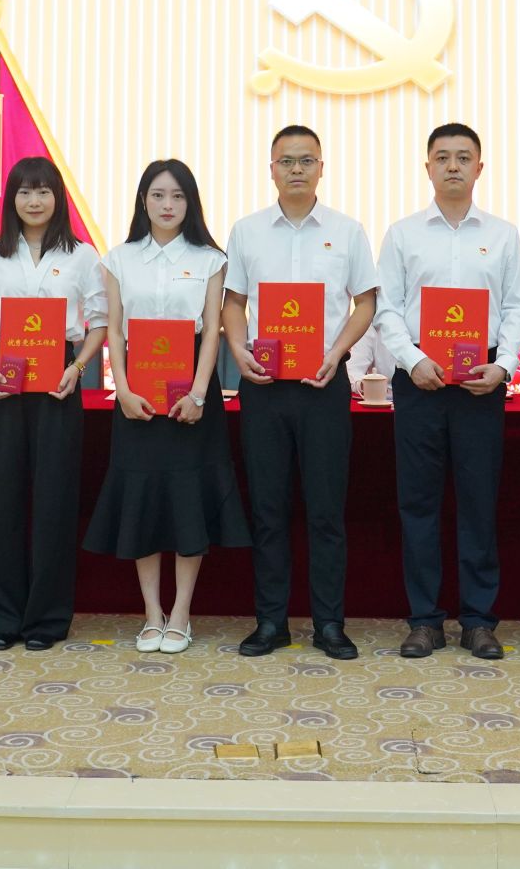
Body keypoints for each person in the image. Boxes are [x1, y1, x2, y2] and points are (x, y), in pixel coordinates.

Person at [222, 126, 380, 661]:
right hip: (264, 388)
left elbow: (365, 302)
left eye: (306, 160)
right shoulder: (247, 231)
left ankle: (329, 624)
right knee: (268, 509)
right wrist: (239, 349)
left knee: (325, 512)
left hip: (323, 386)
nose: (296, 169)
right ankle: (271, 622)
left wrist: (337, 352)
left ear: (321, 167)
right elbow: (233, 302)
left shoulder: (347, 230)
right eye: (286, 161)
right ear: (271, 169)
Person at [374, 123, 520, 660]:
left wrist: (504, 366)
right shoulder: (402, 234)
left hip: (482, 382)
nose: (453, 166)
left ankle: (479, 621)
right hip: (420, 378)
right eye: (443, 157)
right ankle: (424, 620)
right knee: (418, 503)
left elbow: (515, 308)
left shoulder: (503, 234)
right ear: (428, 167)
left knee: (478, 502)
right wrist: (413, 360)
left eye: (464, 157)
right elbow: (387, 308)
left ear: (480, 168)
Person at [85, 159, 250, 655]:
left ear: (190, 203)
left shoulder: (210, 260)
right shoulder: (119, 259)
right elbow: (116, 331)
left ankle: (181, 614)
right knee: (142, 499)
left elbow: (212, 331)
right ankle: (151, 614)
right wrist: (123, 389)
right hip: (136, 396)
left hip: (192, 398)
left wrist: (199, 394)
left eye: (177, 196)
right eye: (158, 195)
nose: (167, 205)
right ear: (143, 201)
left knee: (187, 498)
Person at [0, 156, 108, 652]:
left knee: (54, 500)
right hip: (2, 379)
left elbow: (98, 322)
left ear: (57, 197)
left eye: (43, 191)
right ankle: (1, 617)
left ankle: (46, 617)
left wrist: (78, 368)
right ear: (11, 199)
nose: (34, 200)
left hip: (58, 381)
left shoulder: (82, 255)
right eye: (24, 191)